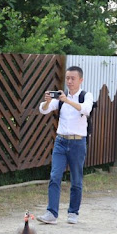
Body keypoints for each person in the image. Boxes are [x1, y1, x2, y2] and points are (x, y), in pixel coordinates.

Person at [37, 66, 94, 225]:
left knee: (76, 179)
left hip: (78, 142)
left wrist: (67, 100)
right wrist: (48, 103)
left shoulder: (85, 96)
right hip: (61, 142)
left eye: (73, 78)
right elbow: (43, 110)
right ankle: (51, 213)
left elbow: (86, 109)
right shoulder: (61, 98)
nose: (69, 81)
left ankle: (73, 212)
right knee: (55, 176)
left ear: (80, 80)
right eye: (67, 78)